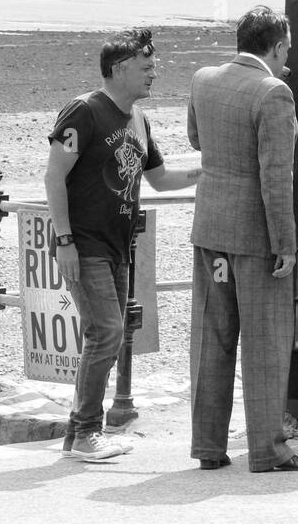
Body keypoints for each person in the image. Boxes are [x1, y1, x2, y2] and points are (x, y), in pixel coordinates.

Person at [45, 27, 200, 462]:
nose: (154, 73)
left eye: (154, 65)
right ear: (118, 69)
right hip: (85, 244)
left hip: (118, 247)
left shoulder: (138, 120)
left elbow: (160, 179)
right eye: (146, 66)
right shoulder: (84, 112)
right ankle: (86, 432)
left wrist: (209, 173)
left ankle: (80, 433)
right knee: (107, 332)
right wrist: (65, 240)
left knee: (108, 336)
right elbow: (54, 176)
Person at [186, 6, 298, 472]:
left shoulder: (204, 78)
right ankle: (268, 450)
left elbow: (197, 139)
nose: (289, 60)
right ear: (278, 46)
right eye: (288, 50)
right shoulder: (273, 92)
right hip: (256, 237)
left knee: (211, 339)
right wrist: (286, 243)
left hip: (210, 228)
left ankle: (208, 445)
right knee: (265, 344)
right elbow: (275, 178)